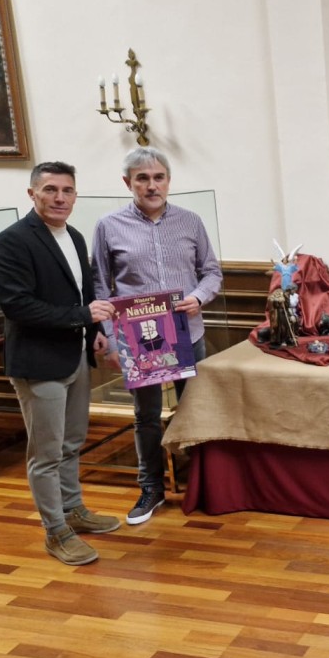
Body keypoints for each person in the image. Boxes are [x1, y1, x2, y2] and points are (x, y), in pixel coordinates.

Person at [0, 161, 120, 565]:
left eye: (67, 190)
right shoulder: (10, 242)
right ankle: (55, 531)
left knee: (71, 443)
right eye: (50, 190)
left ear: (75, 195)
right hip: (37, 362)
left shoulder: (75, 236)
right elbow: (17, 306)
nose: (60, 197)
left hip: (75, 355)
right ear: (33, 194)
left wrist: (92, 330)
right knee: (45, 455)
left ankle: (74, 509)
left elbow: (82, 292)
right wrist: (84, 317)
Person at [91, 147, 222, 525]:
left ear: (168, 180)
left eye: (158, 177)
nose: (152, 186)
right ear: (127, 183)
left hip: (187, 334)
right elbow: (100, 285)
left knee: (194, 408)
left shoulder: (190, 221)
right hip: (139, 340)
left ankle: (199, 481)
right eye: (142, 178)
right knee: (146, 416)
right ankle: (151, 488)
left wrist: (198, 297)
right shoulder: (108, 226)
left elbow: (211, 271)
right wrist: (110, 338)